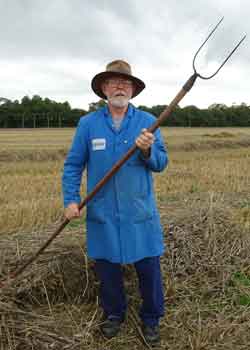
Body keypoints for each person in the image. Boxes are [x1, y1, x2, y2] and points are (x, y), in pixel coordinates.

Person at [62, 59, 168, 345]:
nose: (120, 86)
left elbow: (161, 163)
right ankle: (114, 314)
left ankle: (151, 318)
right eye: (113, 82)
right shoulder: (88, 124)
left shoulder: (148, 121)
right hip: (102, 212)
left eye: (125, 82)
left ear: (132, 89)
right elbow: (73, 165)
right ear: (104, 88)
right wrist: (71, 200)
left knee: (148, 269)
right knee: (107, 269)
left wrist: (147, 152)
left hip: (139, 211)